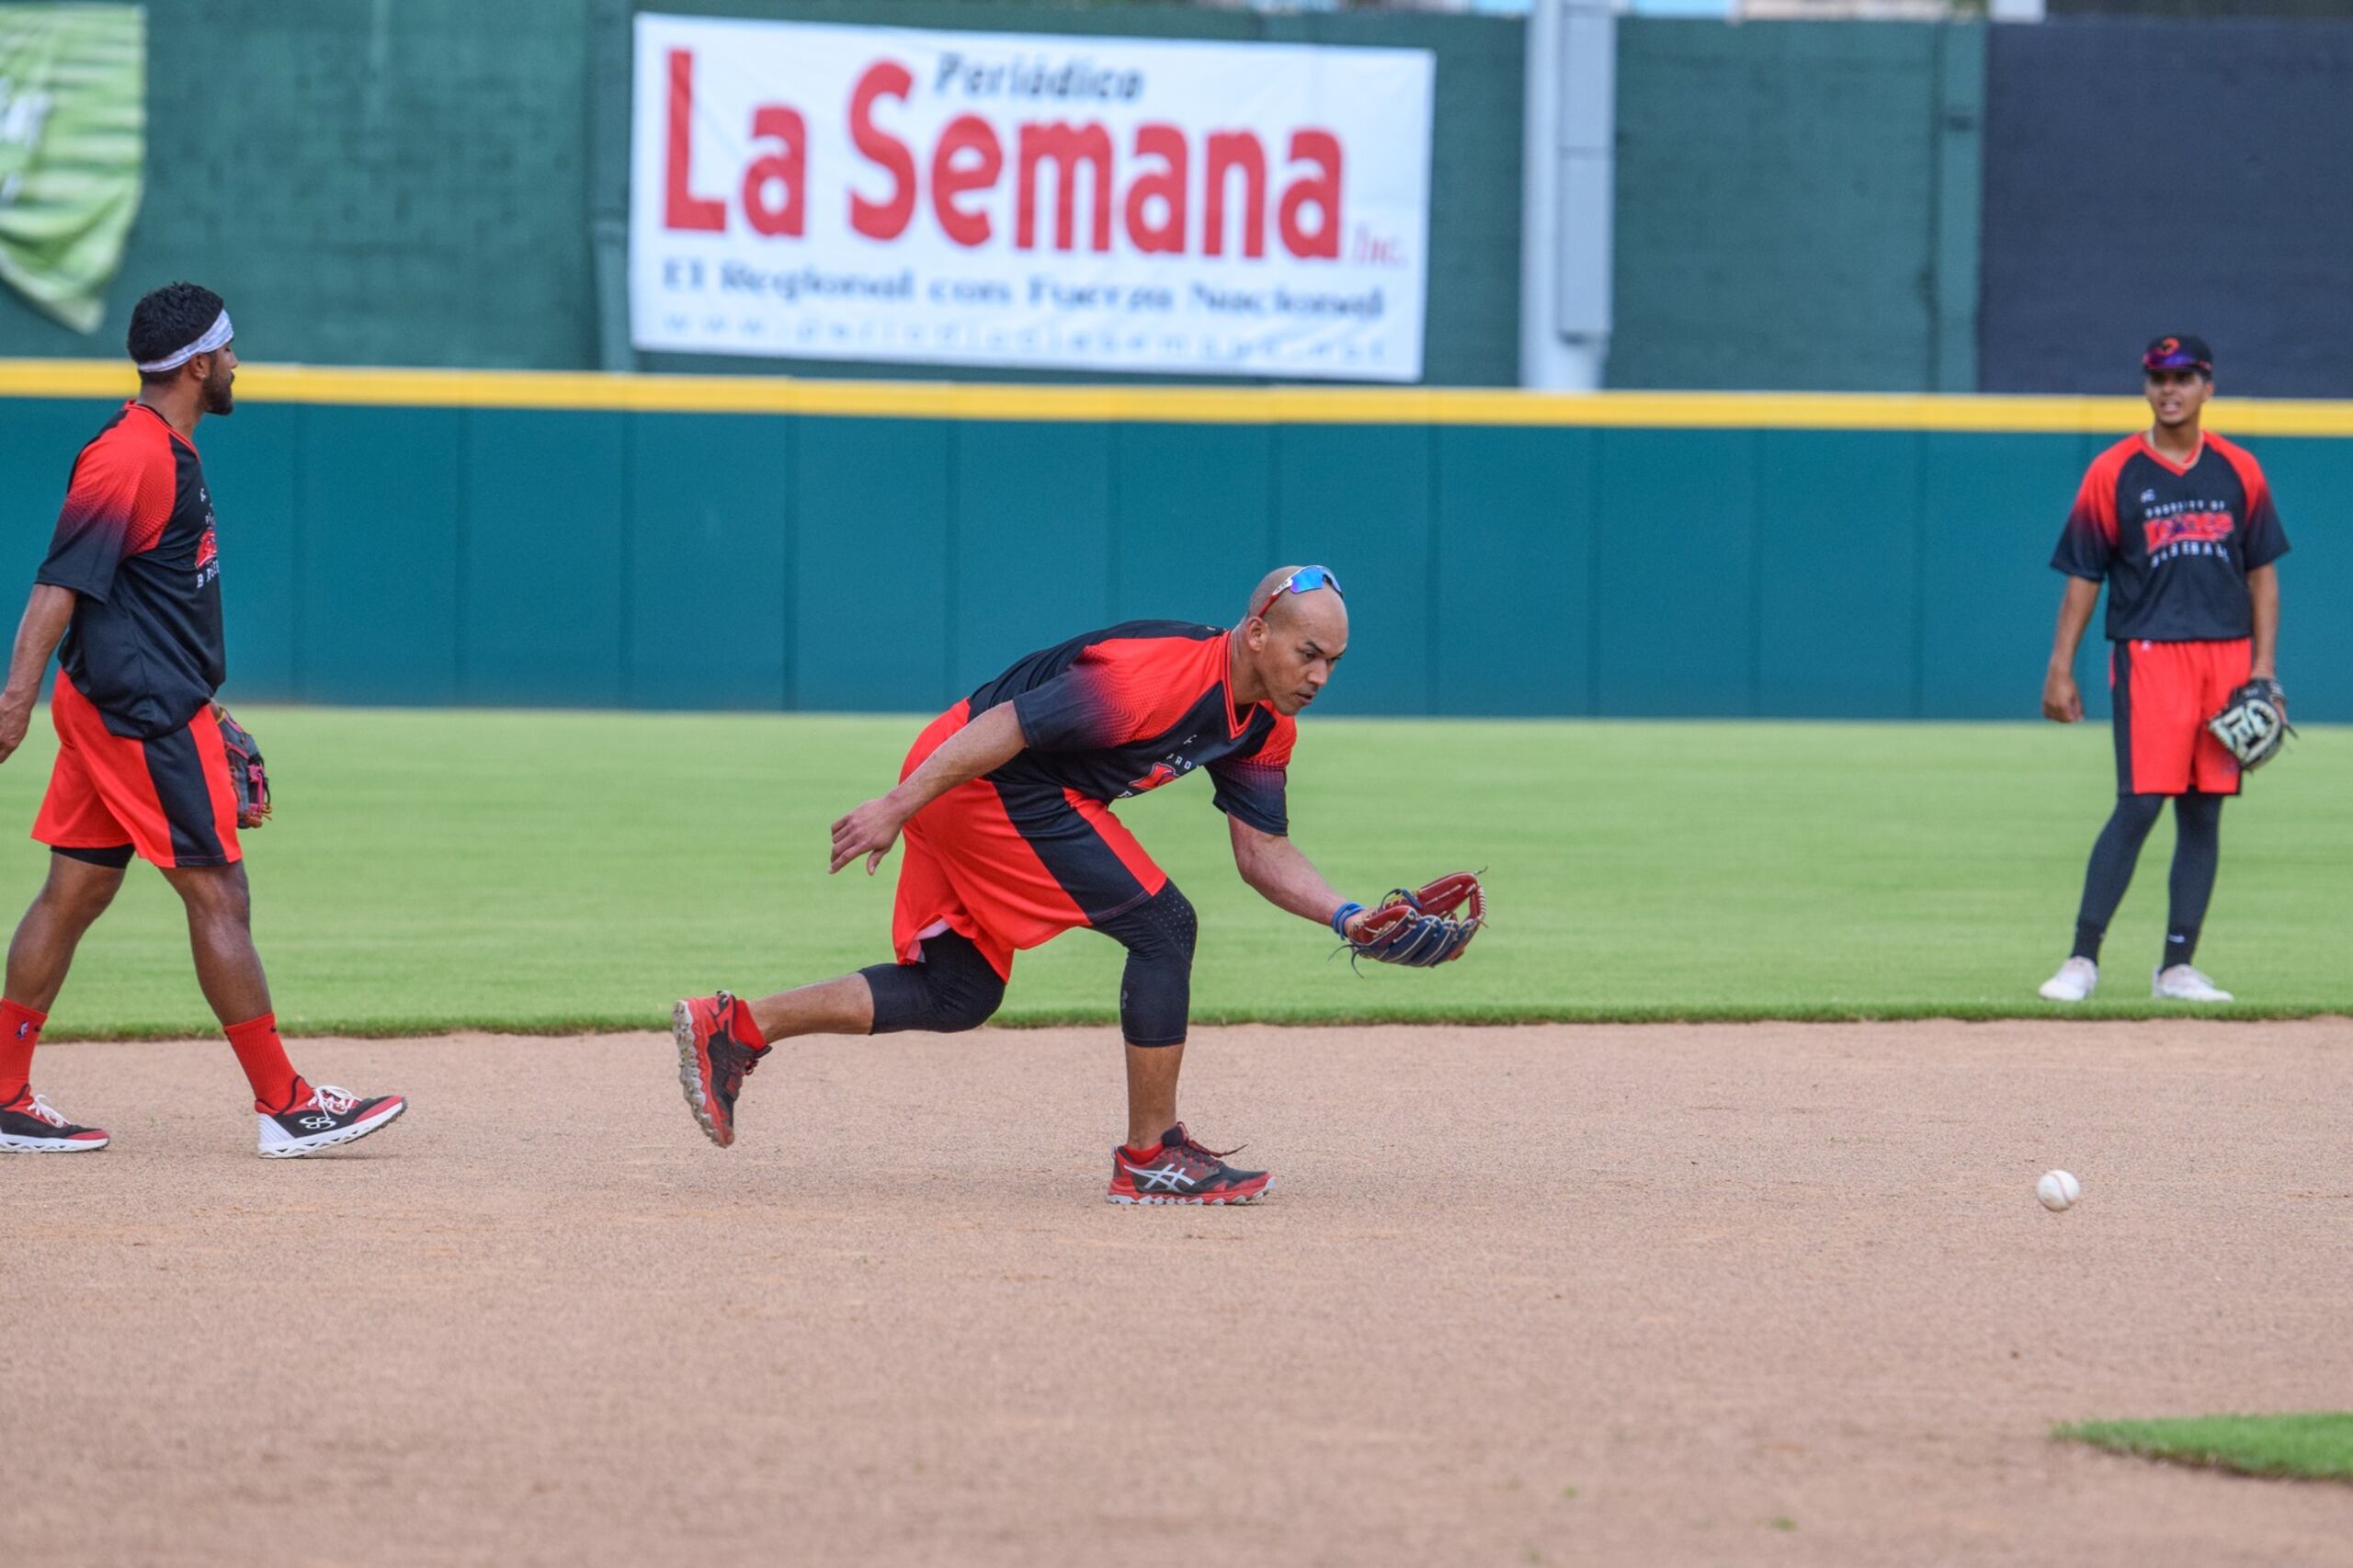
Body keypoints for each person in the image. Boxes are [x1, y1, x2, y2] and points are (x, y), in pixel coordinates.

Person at [675, 565, 1396, 1204]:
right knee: (1165, 928)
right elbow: (1010, 725)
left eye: (1333, 661)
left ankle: (736, 1026)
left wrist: (1349, 918)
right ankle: (1151, 1156)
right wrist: (899, 805)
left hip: (983, 783)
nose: (1320, 676)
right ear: (1259, 633)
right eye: (1309, 654)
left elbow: (1262, 850)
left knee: (959, 991)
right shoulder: (1152, 680)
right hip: (981, 778)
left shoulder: (1263, 725)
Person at [0, 282, 404, 1156]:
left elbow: (140, 599)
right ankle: (286, 1105)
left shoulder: (165, 449)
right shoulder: (130, 457)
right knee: (219, 891)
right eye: (226, 350)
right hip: (139, 716)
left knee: (75, 890)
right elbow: (58, 586)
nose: (234, 363)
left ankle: (1, 1091)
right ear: (193, 365)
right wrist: (13, 703)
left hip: (129, 698)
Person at [2038, 335, 2289, 1004]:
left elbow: (2262, 576)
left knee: (2203, 813)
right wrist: (2061, 666)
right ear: (2146, 386)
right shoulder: (2114, 470)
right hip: (2149, 653)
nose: (2168, 389)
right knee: (2141, 803)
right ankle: (2082, 959)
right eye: (2157, 377)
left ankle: (2176, 966)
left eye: (2183, 377)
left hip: (2227, 656)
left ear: (2209, 385)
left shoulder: (2240, 469)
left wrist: (2263, 671)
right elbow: (2084, 577)